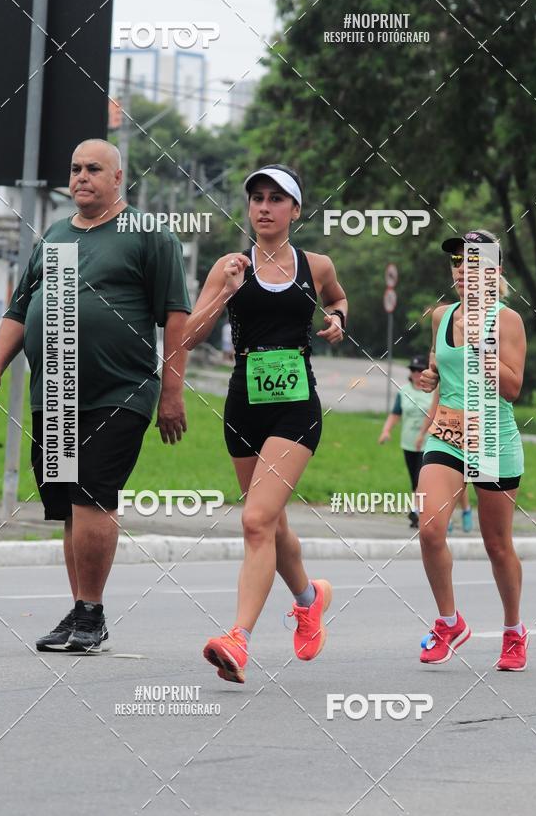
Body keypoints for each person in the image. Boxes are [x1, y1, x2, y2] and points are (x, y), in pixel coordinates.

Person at [0, 139, 191, 653]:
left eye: (94, 169)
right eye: (74, 169)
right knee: (70, 505)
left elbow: (176, 315)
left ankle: (90, 614)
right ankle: (81, 613)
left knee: (93, 493)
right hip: (55, 393)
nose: (81, 177)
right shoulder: (54, 235)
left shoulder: (147, 235)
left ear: (119, 178)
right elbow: (17, 310)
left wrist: (172, 392)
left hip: (120, 390)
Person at [182, 164, 347, 683]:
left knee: (254, 521)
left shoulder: (314, 265)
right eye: (256, 198)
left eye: (277, 199)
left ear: (295, 210)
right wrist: (225, 291)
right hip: (242, 402)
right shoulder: (230, 265)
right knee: (271, 521)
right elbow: (188, 336)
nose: (264, 207)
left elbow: (338, 297)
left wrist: (338, 318)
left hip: (296, 405)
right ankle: (308, 598)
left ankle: (239, 638)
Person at [417, 229, 527, 671]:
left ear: (494, 271)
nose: (462, 269)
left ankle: (514, 631)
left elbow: (514, 387)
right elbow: (438, 367)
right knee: (429, 528)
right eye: (457, 262)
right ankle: (450, 621)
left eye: (473, 262)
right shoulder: (441, 314)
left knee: (497, 545)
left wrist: (478, 344)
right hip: (447, 434)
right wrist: (430, 379)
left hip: (493, 439)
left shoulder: (507, 320)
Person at [379, 353, 433, 529]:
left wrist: (423, 434)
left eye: (420, 370)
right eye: (413, 370)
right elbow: (395, 414)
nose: (416, 374)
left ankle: (416, 511)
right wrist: (386, 430)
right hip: (408, 443)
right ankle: (422, 510)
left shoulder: (434, 391)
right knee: (414, 480)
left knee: (421, 479)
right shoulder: (404, 392)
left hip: (428, 443)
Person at [419, 390, 475, 534]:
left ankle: (466, 510)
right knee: (447, 481)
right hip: (447, 439)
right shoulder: (444, 376)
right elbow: (433, 411)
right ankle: (446, 518)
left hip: (480, 435)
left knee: (496, 543)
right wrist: (421, 434)